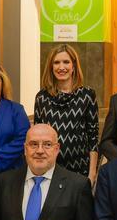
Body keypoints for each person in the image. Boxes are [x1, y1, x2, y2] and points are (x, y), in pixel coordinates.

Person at [34, 44, 99, 184]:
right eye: (56, 62)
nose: (61, 67)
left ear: (74, 66)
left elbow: (93, 138)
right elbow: (38, 137)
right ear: (51, 67)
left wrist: (92, 174)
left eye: (66, 62)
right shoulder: (42, 97)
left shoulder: (87, 95)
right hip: (50, 170)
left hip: (80, 170)